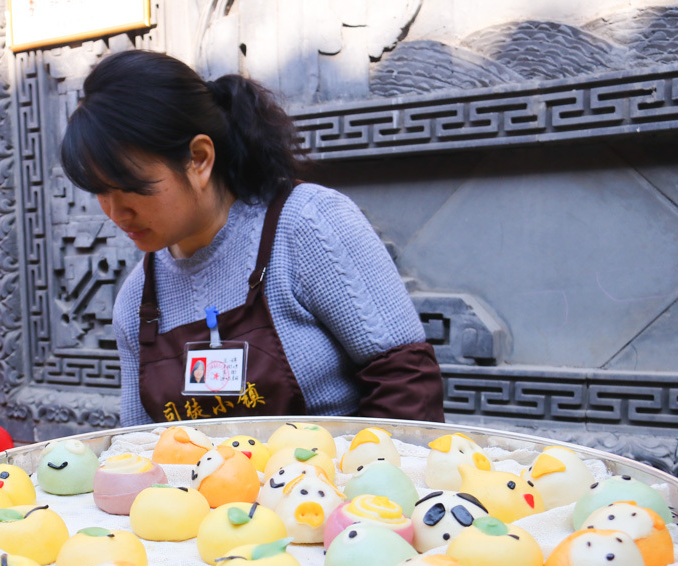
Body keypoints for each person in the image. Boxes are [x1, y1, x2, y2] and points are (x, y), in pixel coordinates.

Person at [60, 50, 444, 427]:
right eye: (100, 191)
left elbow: (407, 385)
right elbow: (141, 445)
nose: (115, 213)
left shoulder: (307, 223)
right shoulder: (137, 300)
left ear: (198, 158)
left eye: (130, 186)